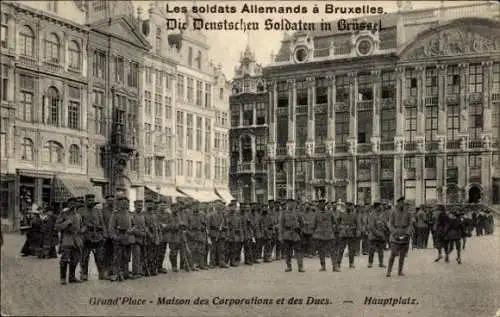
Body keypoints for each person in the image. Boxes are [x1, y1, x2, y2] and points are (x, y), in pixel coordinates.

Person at [55, 198, 83, 284]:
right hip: (67, 238)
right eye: (71, 203)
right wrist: (66, 223)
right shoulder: (63, 214)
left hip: (77, 239)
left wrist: (82, 230)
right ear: (68, 204)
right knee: (65, 259)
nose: (73, 205)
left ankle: (72, 277)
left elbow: (82, 226)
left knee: (75, 259)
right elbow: (57, 226)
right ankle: (63, 278)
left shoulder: (78, 215)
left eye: (74, 203)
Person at [80, 194, 106, 281]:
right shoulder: (81, 211)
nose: (91, 202)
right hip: (86, 237)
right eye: (89, 200)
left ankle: (101, 273)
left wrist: (104, 234)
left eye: (92, 200)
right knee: (84, 257)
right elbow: (80, 224)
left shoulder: (98, 211)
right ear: (86, 201)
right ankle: (84, 274)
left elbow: (102, 223)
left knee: (100, 257)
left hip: (98, 236)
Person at [108, 196, 133, 282]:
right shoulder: (115, 214)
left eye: (126, 202)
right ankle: (116, 274)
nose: (125, 204)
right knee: (117, 257)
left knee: (126, 257)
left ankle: (125, 273)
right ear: (119, 204)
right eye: (123, 202)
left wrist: (131, 231)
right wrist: (114, 236)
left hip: (127, 238)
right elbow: (111, 227)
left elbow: (132, 225)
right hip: (118, 238)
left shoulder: (129, 213)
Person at [386, 197, 412, 277]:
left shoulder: (407, 212)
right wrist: (394, 233)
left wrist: (407, 232)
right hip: (395, 235)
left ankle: (400, 271)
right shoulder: (393, 212)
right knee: (393, 254)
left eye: (403, 203)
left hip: (404, 234)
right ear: (398, 203)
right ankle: (389, 271)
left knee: (402, 255)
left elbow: (410, 224)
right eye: (401, 203)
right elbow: (390, 224)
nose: (402, 204)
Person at [279, 199, 305, 273]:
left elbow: (302, 223)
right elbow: (281, 226)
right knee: (287, 252)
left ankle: (300, 267)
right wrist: (280, 236)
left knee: (298, 251)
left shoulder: (298, 213)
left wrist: (300, 231)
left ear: (294, 204)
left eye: (292, 203)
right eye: (289, 203)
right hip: (287, 234)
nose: (290, 205)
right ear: (287, 205)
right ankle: (288, 266)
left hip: (296, 234)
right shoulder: (283, 213)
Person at [313, 200, 337, 272]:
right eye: (320, 204)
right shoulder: (316, 214)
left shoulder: (330, 212)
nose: (322, 205)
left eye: (323, 204)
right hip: (319, 235)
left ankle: (335, 266)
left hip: (329, 234)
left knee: (332, 250)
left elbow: (335, 222)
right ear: (319, 205)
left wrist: (332, 229)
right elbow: (314, 224)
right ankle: (323, 266)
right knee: (321, 251)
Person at [336, 202, 360, 269]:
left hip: (351, 233)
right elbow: (337, 222)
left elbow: (357, 224)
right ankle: (338, 263)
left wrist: (357, 230)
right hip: (343, 234)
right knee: (341, 249)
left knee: (351, 249)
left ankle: (351, 263)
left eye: (350, 206)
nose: (349, 207)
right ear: (345, 206)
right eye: (347, 206)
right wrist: (341, 228)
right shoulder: (341, 214)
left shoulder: (354, 215)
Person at [367, 202, 387, 268]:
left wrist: (385, 228)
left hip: (381, 234)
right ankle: (370, 263)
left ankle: (381, 263)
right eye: (379, 206)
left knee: (381, 250)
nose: (381, 207)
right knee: (371, 250)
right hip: (373, 235)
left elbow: (384, 223)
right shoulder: (372, 214)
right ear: (376, 207)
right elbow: (371, 226)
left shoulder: (382, 214)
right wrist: (378, 233)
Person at [131, 200, 146, 278]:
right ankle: (135, 272)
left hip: (142, 239)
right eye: (138, 205)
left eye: (141, 205)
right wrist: (140, 233)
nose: (140, 207)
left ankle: (140, 271)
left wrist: (145, 232)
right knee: (136, 256)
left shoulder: (142, 215)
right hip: (135, 239)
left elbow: (144, 227)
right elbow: (131, 228)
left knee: (141, 256)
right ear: (134, 206)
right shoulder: (132, 215)